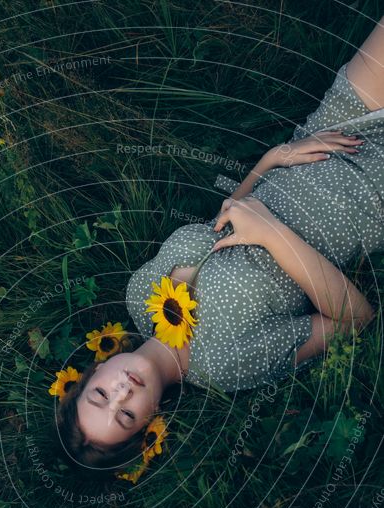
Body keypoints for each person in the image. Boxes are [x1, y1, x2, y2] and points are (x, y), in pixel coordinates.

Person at [57, 17, 383, 472]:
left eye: (101, 395)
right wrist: (272, 234)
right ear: (152, 423)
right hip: (369, 197)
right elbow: (355, 318)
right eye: (126, 415)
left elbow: (224, 223)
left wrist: (273, 158)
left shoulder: (140, 293)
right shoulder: (226, 367)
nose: (123, 393)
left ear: (94, 371)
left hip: (332, 131)